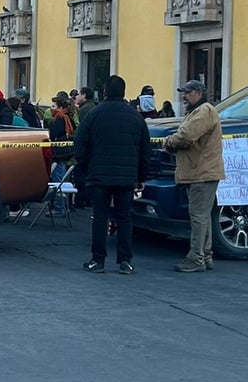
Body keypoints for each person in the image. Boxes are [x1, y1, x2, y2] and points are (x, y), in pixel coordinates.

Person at [72, 75, 151, 274]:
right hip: (126, 178)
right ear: (124, 92)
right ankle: (125, 261)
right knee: (124, 218)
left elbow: (79, 145)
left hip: (99, 176)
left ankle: (98, 260)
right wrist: (141, 177)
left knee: (100, 218)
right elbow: (145, 150)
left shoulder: (94, 114)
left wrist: (86, 167)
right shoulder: (135, 117)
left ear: (105, 92)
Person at [163, 79, 225, 273]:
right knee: (202, 216)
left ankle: (196, 257)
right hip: (200, 171)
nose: (184, 96)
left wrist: (170, 141)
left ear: (199, 93)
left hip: (201, 172)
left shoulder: (203, 111)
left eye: (188, 92)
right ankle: (205, 256)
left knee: (198, 217)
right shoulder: (200, 111)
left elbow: (187, 135)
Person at [48, 92, 77, 215]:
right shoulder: (67, 117)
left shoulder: (60, 118)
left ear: (60, 108)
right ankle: (63, 206)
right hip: (65, 152)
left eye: (53, 106)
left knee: (58, 180)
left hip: (59, 153)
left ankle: (59, 207)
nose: (51, 109)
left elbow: (53, 133)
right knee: (61, 178)